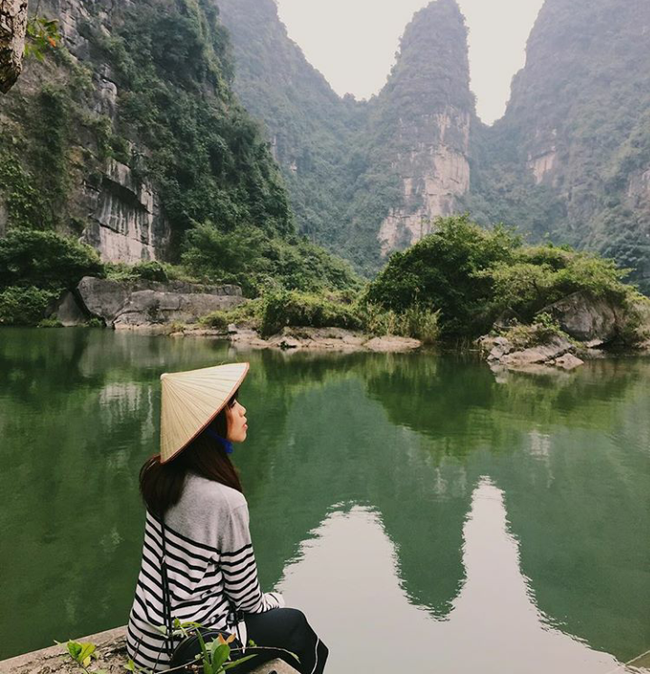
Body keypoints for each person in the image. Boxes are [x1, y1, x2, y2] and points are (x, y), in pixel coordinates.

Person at [126, 362, 328, 673]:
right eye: (232, 404)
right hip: (190, 651)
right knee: (299, 631)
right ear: (211, 423)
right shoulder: (225, 501)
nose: (243, 411)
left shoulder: (159, 475)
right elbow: (248, 600)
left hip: (144, 639)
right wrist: (277, 600)